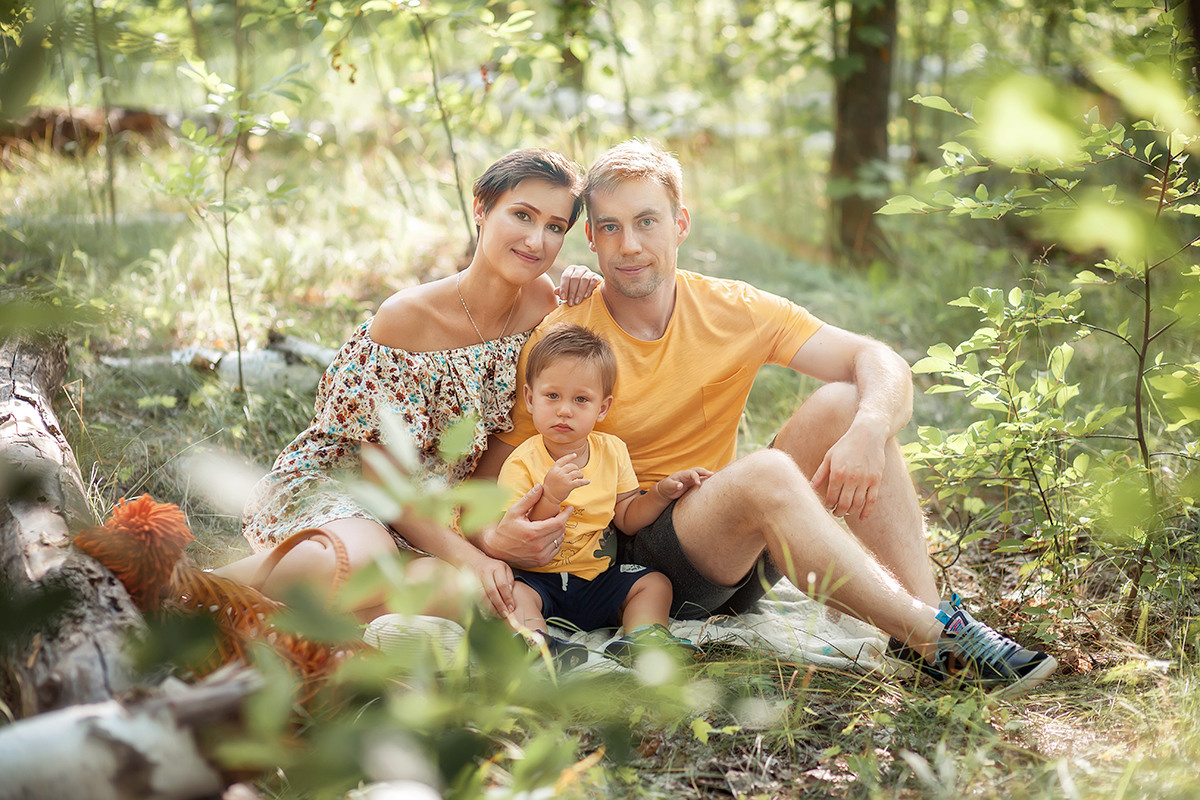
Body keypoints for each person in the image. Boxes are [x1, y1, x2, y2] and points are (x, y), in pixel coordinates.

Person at [472, 139, 1057, 695]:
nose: (629, 245)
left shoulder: (734, 307)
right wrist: (496, 537)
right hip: (628, 565)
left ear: (680, 224)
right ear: (592, 243)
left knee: (847, 401)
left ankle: (928, 631)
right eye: (610, 227)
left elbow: (876, 358)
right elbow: (495, 476)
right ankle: (938, 638)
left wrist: (870, 429)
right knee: (769, 472)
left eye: (646, 221)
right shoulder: (568, 338)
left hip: (724, 544)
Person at [215, 148, 598, 622]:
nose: (536, 240)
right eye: (522, 215)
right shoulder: (407, 319)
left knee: (468, 598)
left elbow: (513, 436)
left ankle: (259, 627)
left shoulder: (544, 307)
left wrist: (586, 287)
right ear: (480, 208)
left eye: (555, 227)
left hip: (431, 515)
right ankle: (186, 590)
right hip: (352, 489)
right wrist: (473, 557)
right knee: (367, 561)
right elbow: (381, 481)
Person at [495, 323, 708, 666]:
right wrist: (550, 496)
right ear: (530, 399)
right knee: (514, 594)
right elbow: (522, 534)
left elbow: (626, 517)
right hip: (540, 578)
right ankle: (537, 646)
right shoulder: (522, 462)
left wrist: (660, 493)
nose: (565, 410)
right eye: (553, 396)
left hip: (598, 578)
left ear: (603, 408)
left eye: (581, 399)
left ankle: (643, 638)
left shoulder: (612, 451)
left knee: (654, 584)